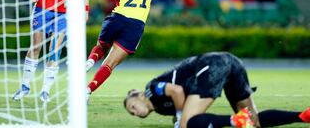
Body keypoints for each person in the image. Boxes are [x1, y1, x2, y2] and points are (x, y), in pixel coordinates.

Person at [124, 52, 310, 128]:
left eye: (132, 106)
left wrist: (181, 117)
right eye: (132, 113)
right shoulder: (160, 108)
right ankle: (303, 116)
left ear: (139, 95)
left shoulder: (150, 90)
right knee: (253, 121)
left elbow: (177, 91)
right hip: (231, 62)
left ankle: (233, 120)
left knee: (187, 124)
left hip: (212, 64)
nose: (135, 113)